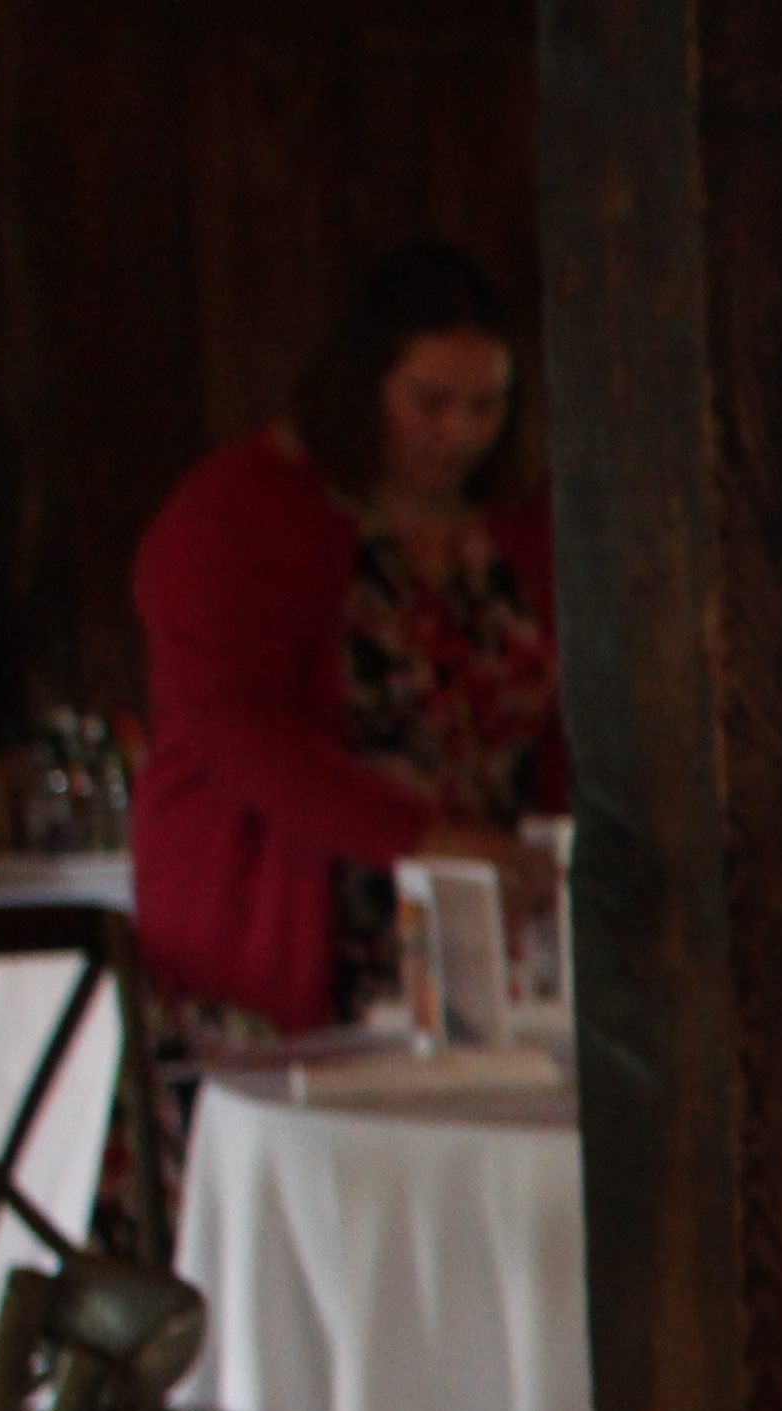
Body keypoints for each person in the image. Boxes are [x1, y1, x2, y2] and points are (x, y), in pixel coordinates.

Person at [132, 241, 565, 1038]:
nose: (461, 433)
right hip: (290, 924)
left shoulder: (518, 523)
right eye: (430, 403)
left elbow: (566, 718)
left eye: (487, 406)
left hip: (483, 933)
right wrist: (420, 841)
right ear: (363, 387)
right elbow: (232, 725)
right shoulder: (236, 515)